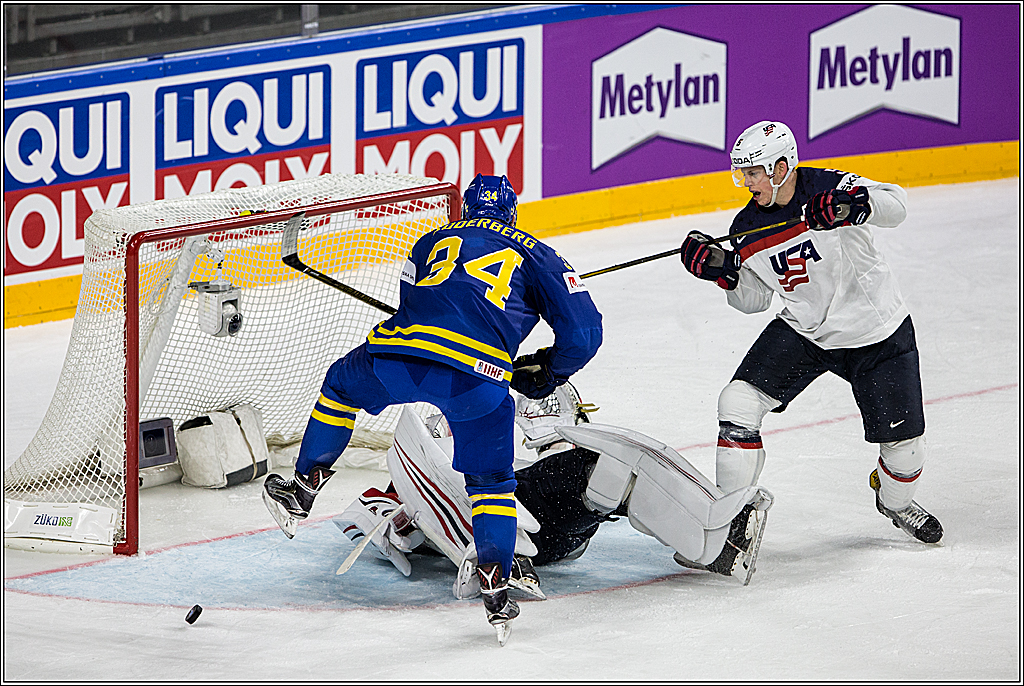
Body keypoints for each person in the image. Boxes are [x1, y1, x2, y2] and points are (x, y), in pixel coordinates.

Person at [262, 174, 603, 644]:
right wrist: (544, 373)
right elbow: (585, 335)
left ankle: (304, 485)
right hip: (476, 379)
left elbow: (415, 301)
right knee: (490, 484)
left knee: (340, 388)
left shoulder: (430, 240)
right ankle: (495, 582)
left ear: (464, 209)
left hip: (397, 357)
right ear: (513, 212)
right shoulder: (539, 253)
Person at [678, 120, 942, 545]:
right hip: (807, 331)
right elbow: (755, 300)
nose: (746, 182)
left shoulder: (829, 187)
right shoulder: (747, 224)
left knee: (905, 450)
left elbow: (897, 205)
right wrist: (723, 273)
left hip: (876, 334)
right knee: (738, 402)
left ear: (781, 167)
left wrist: (849, 206)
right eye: (742, 173)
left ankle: (894, 502)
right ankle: (732, 522)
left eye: (753, 172)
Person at [335, 383, 774, 602]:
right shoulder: (429, 428)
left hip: (543, 534)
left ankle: (716, 541)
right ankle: (718, 543)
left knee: (613, 469)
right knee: (604, 468)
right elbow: (365, 513)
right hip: (522, 526)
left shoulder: (466, 403)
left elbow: (550, 436)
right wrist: (398, 523)